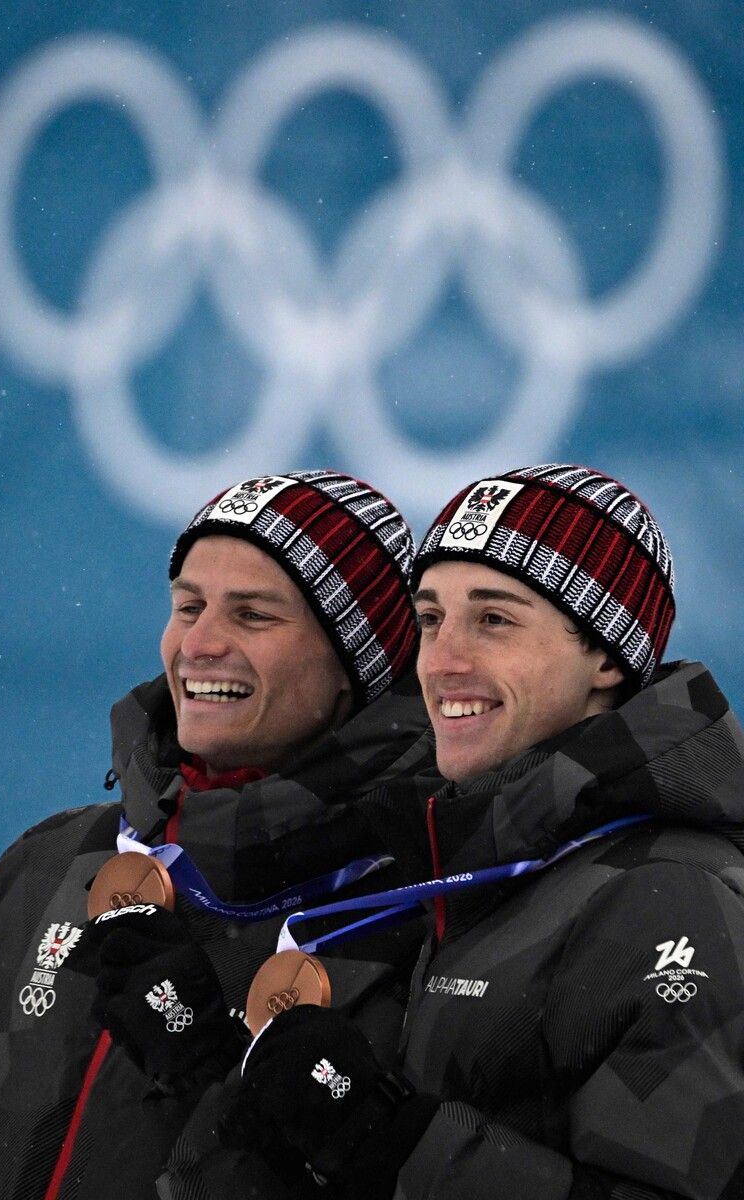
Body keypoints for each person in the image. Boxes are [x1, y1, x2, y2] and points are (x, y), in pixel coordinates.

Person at [210, 464, 744, 1200]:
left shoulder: (670, 894)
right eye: (430, 619)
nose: (443, 662)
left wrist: (391, 1141)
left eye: (493, 619)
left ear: (609, 658)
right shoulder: (472, 859)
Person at [0, 470, 441, 1200]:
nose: (199, 643)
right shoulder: (48, 863)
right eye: (188, 607)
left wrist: (214, 1067)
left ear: (353, 667)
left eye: (253, 615)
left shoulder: (411, 908)